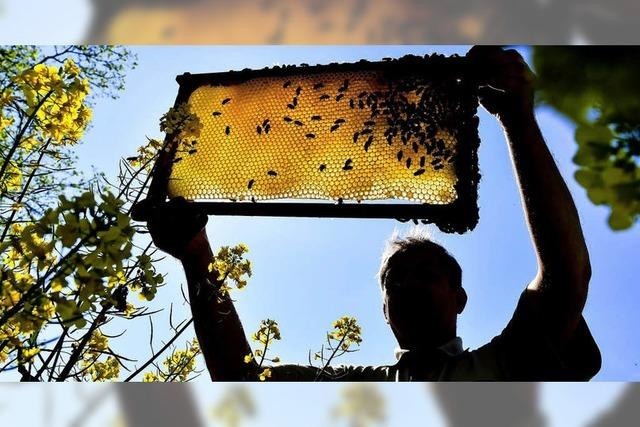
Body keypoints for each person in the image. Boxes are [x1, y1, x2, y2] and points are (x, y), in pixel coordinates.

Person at [137, 47, 601, 381]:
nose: (407, 285)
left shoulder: (502, 369)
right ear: (383, 308)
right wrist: (197, 255)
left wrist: (517, 119)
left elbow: (566, 277)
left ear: (460, 298)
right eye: (395, 280)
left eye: (425, 274)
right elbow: (239, 378)